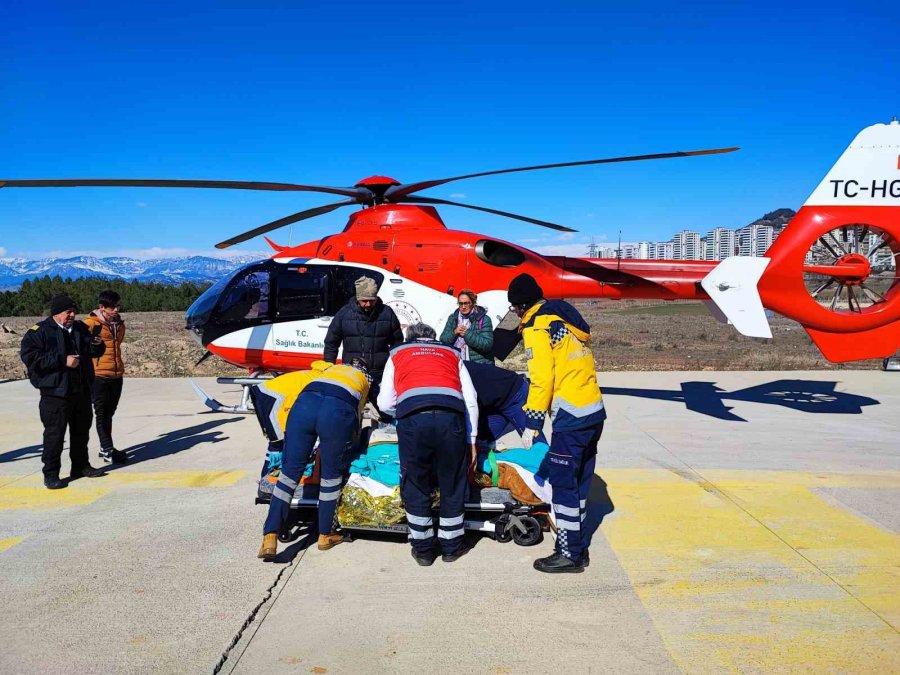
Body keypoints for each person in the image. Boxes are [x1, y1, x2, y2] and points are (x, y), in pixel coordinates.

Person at [508, 273, 606, 574]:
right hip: (593, 412)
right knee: (579, 486)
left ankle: (568, 554)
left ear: (520, 306)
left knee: (563, 487)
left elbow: (542, 380)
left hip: (570, 418)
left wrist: (531, 423)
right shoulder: (563, 320)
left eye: (514, 308)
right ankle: (578, 547)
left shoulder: (538, 326)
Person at [377, 323, 479, 566]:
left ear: (410, 338)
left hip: (414, 421)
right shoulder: (451, 352)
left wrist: (405, 410)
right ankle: (452, 547)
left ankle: (423, 550)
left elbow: (384, 402)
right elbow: (470, 399)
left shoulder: (398, 353)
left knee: (416, 481)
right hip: (450, 419)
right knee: (452, 481)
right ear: (432, 338)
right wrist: (471, 440)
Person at [257, 358, 371, 561]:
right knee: (331, 477)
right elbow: (356, 417)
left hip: (303, 406)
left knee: (289, 473)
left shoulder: (328, 369)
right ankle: (325, 535)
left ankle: (270, 536)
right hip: (337, 411)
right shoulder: (363, 379)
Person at [20, 294, 107, 490]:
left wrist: (97, 345)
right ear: (56, 313)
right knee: (55, 435)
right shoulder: (39, 332)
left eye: (74, 311)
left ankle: (80, 466)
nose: (72, 315)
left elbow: (93, 352)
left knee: (81, 432)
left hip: (81, 390)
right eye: (68, 312)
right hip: (55, 394)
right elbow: (31, 359)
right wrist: (62, 360)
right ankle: (51, 474)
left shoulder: (80, 329)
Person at [323, 276, 403, 404]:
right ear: (357, 298)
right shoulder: (344, 314)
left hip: (380, 373)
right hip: (352, 372)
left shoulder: (387, 313)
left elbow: (397, 343)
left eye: (372, 300)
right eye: (364, 301)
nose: (368, 304)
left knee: (382, 409)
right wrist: (328, 365)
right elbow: (331, 342)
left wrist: (396, 369)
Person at [83, 289, 127, 464]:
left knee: (110, 412)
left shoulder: (119, 324)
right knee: (101, 413)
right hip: (99, 375)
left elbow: (118, 344)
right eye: (112, 307)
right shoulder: (91, 324)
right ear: (102, 307)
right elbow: (82, 346)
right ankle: (107, 449)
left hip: (116, 374)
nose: (116, 310)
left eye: (117, 306)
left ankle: (104, 447)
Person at [463, 360, 547, 449]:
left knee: (534, 442)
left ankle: (551, 461)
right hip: (493, 405)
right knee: (479, 440)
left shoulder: (459, 369)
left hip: (515, 395)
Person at [439, 289, 494, 363]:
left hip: (479, 364)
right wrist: (454, 332)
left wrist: (467, 334)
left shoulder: (484, 319)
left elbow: (487, 345)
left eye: (467, 303)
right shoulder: (453, 318)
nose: (463, 306)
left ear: (473, 303)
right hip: (457, 362)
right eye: (461, 303)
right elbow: (443, 340)